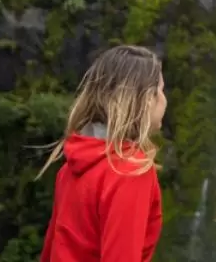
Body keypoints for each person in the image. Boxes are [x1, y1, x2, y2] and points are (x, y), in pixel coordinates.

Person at [39, 44, 167, 262]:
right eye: (161, 90)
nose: (164, 99)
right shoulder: (130, 170)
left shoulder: (72, 165)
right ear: (147, 98)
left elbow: (51, 250)